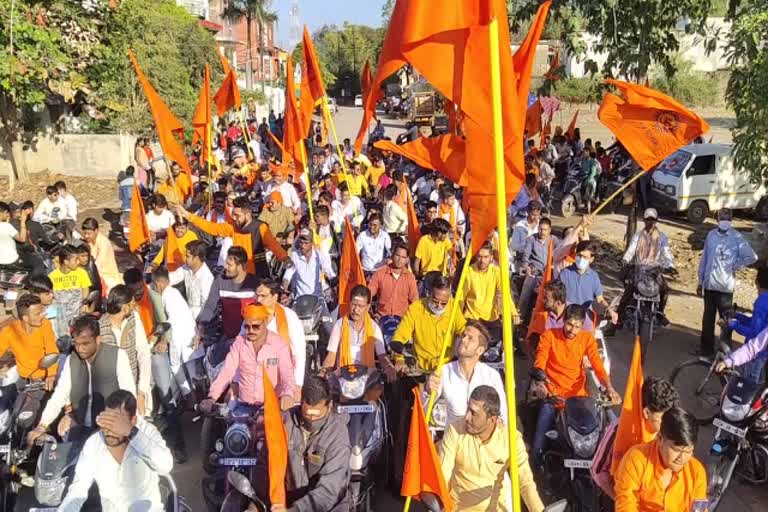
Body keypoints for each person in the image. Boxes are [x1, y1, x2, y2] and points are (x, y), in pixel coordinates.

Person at [531, 305, 621, 466]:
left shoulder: (586, 338)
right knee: (538, 445)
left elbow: (598, 365)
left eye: (577, 326)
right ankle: (537, 471)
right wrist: (540, 384)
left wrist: (609, 387)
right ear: (563, 321)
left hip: (579, 398)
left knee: (609, 426)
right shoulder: (549, 336)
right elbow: (540, 362)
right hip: (553, 396)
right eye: (569, 324)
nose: (573, 330)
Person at [58, 389, 173, 511]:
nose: (109, 430)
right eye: (107, 421)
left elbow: (166, 465)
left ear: (132, 421)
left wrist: (132, 433)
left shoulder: (147, 433)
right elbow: (78, 489)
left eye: (117, 422)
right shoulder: (93, 443)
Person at [30, 315, 136, 443]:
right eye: (76, 343)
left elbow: (129, 397)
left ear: (98, 340)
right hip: (78, 425)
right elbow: (59, 395)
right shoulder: (71, 360)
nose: (80, 349)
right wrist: (42, 425)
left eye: (85, 344)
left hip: (109, 428)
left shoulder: (118, 356)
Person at [439, 386, 544, 512]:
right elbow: (442, 475)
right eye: (468, 408)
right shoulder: (454, 430)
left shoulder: (511, 439)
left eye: (473, 413)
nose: (466, 417)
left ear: (492, 419)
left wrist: (539, 510)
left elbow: (525, 482)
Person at [592, 377, 681, 499]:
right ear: (646, 413)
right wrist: (618, 500)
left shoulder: (671, 432)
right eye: (662, 419)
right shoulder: (618, 431)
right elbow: (598, 470)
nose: (668, 424)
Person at [200, 304, 295, 409]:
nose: (251, 331)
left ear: (266, 321)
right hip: (243, 408)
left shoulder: (279, 344)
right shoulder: (239, 343)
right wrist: (212, 397)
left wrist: (288, 394)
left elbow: (287, 374)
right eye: (247, 326)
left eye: (255, 326)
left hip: (271, 408)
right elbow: (227, 372)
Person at [614, 407, 707, 512]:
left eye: (688, 451)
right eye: (676, 450)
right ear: (660, 439)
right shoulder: (636, 459)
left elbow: (699, 509)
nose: (682, 458)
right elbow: (626, 503)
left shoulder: (697, 472)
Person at [281, 375, 351, 511]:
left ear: (329, 406)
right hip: (288, 503)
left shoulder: (338, 434)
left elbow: (330, 489)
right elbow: (265, 465)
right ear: (300, 403)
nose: (312, 420)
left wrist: (298, 510)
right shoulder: (285, 423)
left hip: (327, 506)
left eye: (317, 416)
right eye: (307, 415)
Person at [178, 196, 288, 277]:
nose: (234, 218)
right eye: (233, 215)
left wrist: (284, 258)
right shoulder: (232, 227)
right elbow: (211, 227)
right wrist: (188, 216)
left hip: (257, 274)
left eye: (238, 215)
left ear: (247, 214)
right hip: (238, 275)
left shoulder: (260, 227)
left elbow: (274, 245)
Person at [697, 208, 757, 356]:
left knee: (726, 320)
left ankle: (725, 351)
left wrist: (735, 264)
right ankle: (706, 351)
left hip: (725, 287)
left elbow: (752, 257)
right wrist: (700, 281)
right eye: (722, 217)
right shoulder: (711, 235)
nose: (724, 220)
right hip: (710, 285)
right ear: (717, 220)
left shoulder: (737, 237)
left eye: (727, 218)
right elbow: (704, 259)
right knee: (708, 319)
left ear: (731, 220)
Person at [150, 267, 195, 462]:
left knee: (176, 368)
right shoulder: (175, 292)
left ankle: (189, 397)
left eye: (154, 284)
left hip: (178, 337)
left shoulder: (166, 296)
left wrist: (162, 338)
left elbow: (171, 321)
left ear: (159, 283)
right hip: (188, 335)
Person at [427, 322, 507, 425]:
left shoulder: (491, 376)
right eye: (463, 336)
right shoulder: (444, 371)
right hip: (453, 437)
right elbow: (424, 411)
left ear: (480, 350)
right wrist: (427, 392)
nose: (463, 340)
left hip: (482, 438)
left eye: (470, 338)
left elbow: (503, 414)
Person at [391, 276, 467, 372]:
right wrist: (399, 359)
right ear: (429, 294)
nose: (439, 306)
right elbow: (399, 335)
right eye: (435, 301)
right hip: (420, 368)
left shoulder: (454, 307)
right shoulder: (416, 308)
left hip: (447, 368)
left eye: (444, 303)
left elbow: (463, 332)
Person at [322, 285, 397, 381]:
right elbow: (331, 355)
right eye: (353, 304)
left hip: (367, 380)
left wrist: (389, 368)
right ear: (349, 303)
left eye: (360, 306)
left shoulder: (374, 328)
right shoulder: (339, 325)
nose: (356, 310)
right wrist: (323, 371)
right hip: (344, 379)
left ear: (368, 307)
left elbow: (382, 356)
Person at [616, 208, 675, 330]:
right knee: (628, 291)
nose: (650, 222)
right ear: (644, 220)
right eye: (648, 219)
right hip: (639, 269)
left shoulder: (662, 237)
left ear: (656, 221)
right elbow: (631, 250)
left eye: (652, 219)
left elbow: (666, 252)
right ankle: (618, 319)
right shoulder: (638, 236)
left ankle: (660, 313)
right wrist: (626, 259)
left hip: (654, 271)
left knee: (665, 289)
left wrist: (670, 265)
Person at [99, 285, 152, 416]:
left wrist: (141, 391)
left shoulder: (134, 318)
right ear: (124, 308)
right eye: (132, 303)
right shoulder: (100, 328)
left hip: (135, 386)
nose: (135, 306)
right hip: (111, 395)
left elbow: (143, 353)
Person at [254, 279, 306, 395]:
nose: (258, 300)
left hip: (283, 379)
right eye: (257, 295)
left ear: (274, 297)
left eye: (263, 296)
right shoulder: (251, 315)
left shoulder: (290, 317)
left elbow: (299, 353)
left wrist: (298, 385)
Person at [197, 246, 260, 341]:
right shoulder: (220, 281)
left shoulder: (255, 285)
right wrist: (202, 325)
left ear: (240, 266)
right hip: (227, 337)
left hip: (249, 337)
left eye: (229, 264)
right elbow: (210, 305)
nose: (225, 267)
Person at [0, 294, 58, 389]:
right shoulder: (10, 331)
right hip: (22, 381)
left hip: (44, 381)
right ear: (25, 318)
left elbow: (51, 350)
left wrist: (51, 375)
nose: (43, 316)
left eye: (42, 312)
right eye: (37, 314)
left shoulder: (45, 325)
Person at [558, 240, 618, 324]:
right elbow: (558, 297)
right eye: (579, 255)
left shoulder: (594, 277)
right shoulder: (565, 273)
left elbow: (600, 299)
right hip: (567, 318)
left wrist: (609, 310)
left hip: (586, 318)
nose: (581, 259)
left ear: (591, 259)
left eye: (585, 257)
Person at [49, 244, 91, 337]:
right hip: (60, 316)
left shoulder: (81, 273)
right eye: (75, 259)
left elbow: (85, 289)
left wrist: (84, 304)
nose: (78, 261)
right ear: (66, 261)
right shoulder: (52, 276)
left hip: (77, 313)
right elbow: (51, 298)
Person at [368, 243, 419, 319]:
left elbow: (415, 301)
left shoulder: (410, 277)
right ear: (392, 255)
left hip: (402, 320)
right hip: (381, 318)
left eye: (403, 257)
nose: (399, 259)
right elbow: (368, 294)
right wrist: (370, 313)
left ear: (407, 259)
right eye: (397, 255)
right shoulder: (380, 273)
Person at [168, 239, 214, 318]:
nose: (184, 258)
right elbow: (173, 277)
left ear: (196, 258)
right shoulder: (186, 268)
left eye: (187, 256)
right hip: (188, 313)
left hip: (201, 321)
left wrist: (184, 315)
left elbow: (205, 307)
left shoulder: (207, 278)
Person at [283, 230, 336, 298]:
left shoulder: (319, 255)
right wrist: (284, 289)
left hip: (317, 299)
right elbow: (287, 275)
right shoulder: (295, 256)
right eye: (301, 242)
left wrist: (334, 282)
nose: (302, 246)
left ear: (312, 243)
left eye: (306, 243)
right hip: (299, 299)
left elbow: (328, 270)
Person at [81, 217, 123, 289]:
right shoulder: (89, 242)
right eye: (85, 233)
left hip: (108, 278)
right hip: (97, 275)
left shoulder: (103, 243)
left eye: (89, 233)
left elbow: (98, 265)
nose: (86, 236)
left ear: (96, 231)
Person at [0, 201, 27, 266]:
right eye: (6, 213)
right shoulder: (6, 226)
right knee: (37, 262)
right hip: (10, 261)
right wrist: (23, 221)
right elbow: (22, 239)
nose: (7, 215)